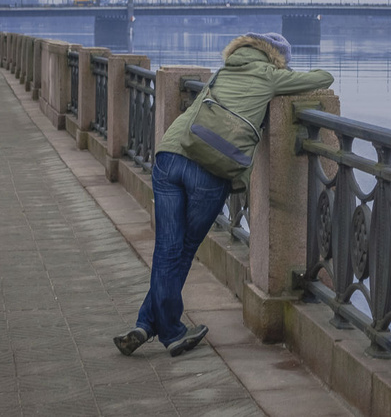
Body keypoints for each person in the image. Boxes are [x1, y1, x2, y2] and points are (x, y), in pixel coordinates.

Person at [113, 32, 334, 357]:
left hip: (169, 154)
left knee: (167, 250)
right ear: (279, 58)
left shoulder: (224, 72)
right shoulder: (271, 76)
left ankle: (145, 324)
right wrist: (285, 74)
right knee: (184, 250)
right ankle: (171, 331)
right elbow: (324, 77)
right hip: (209, 166)